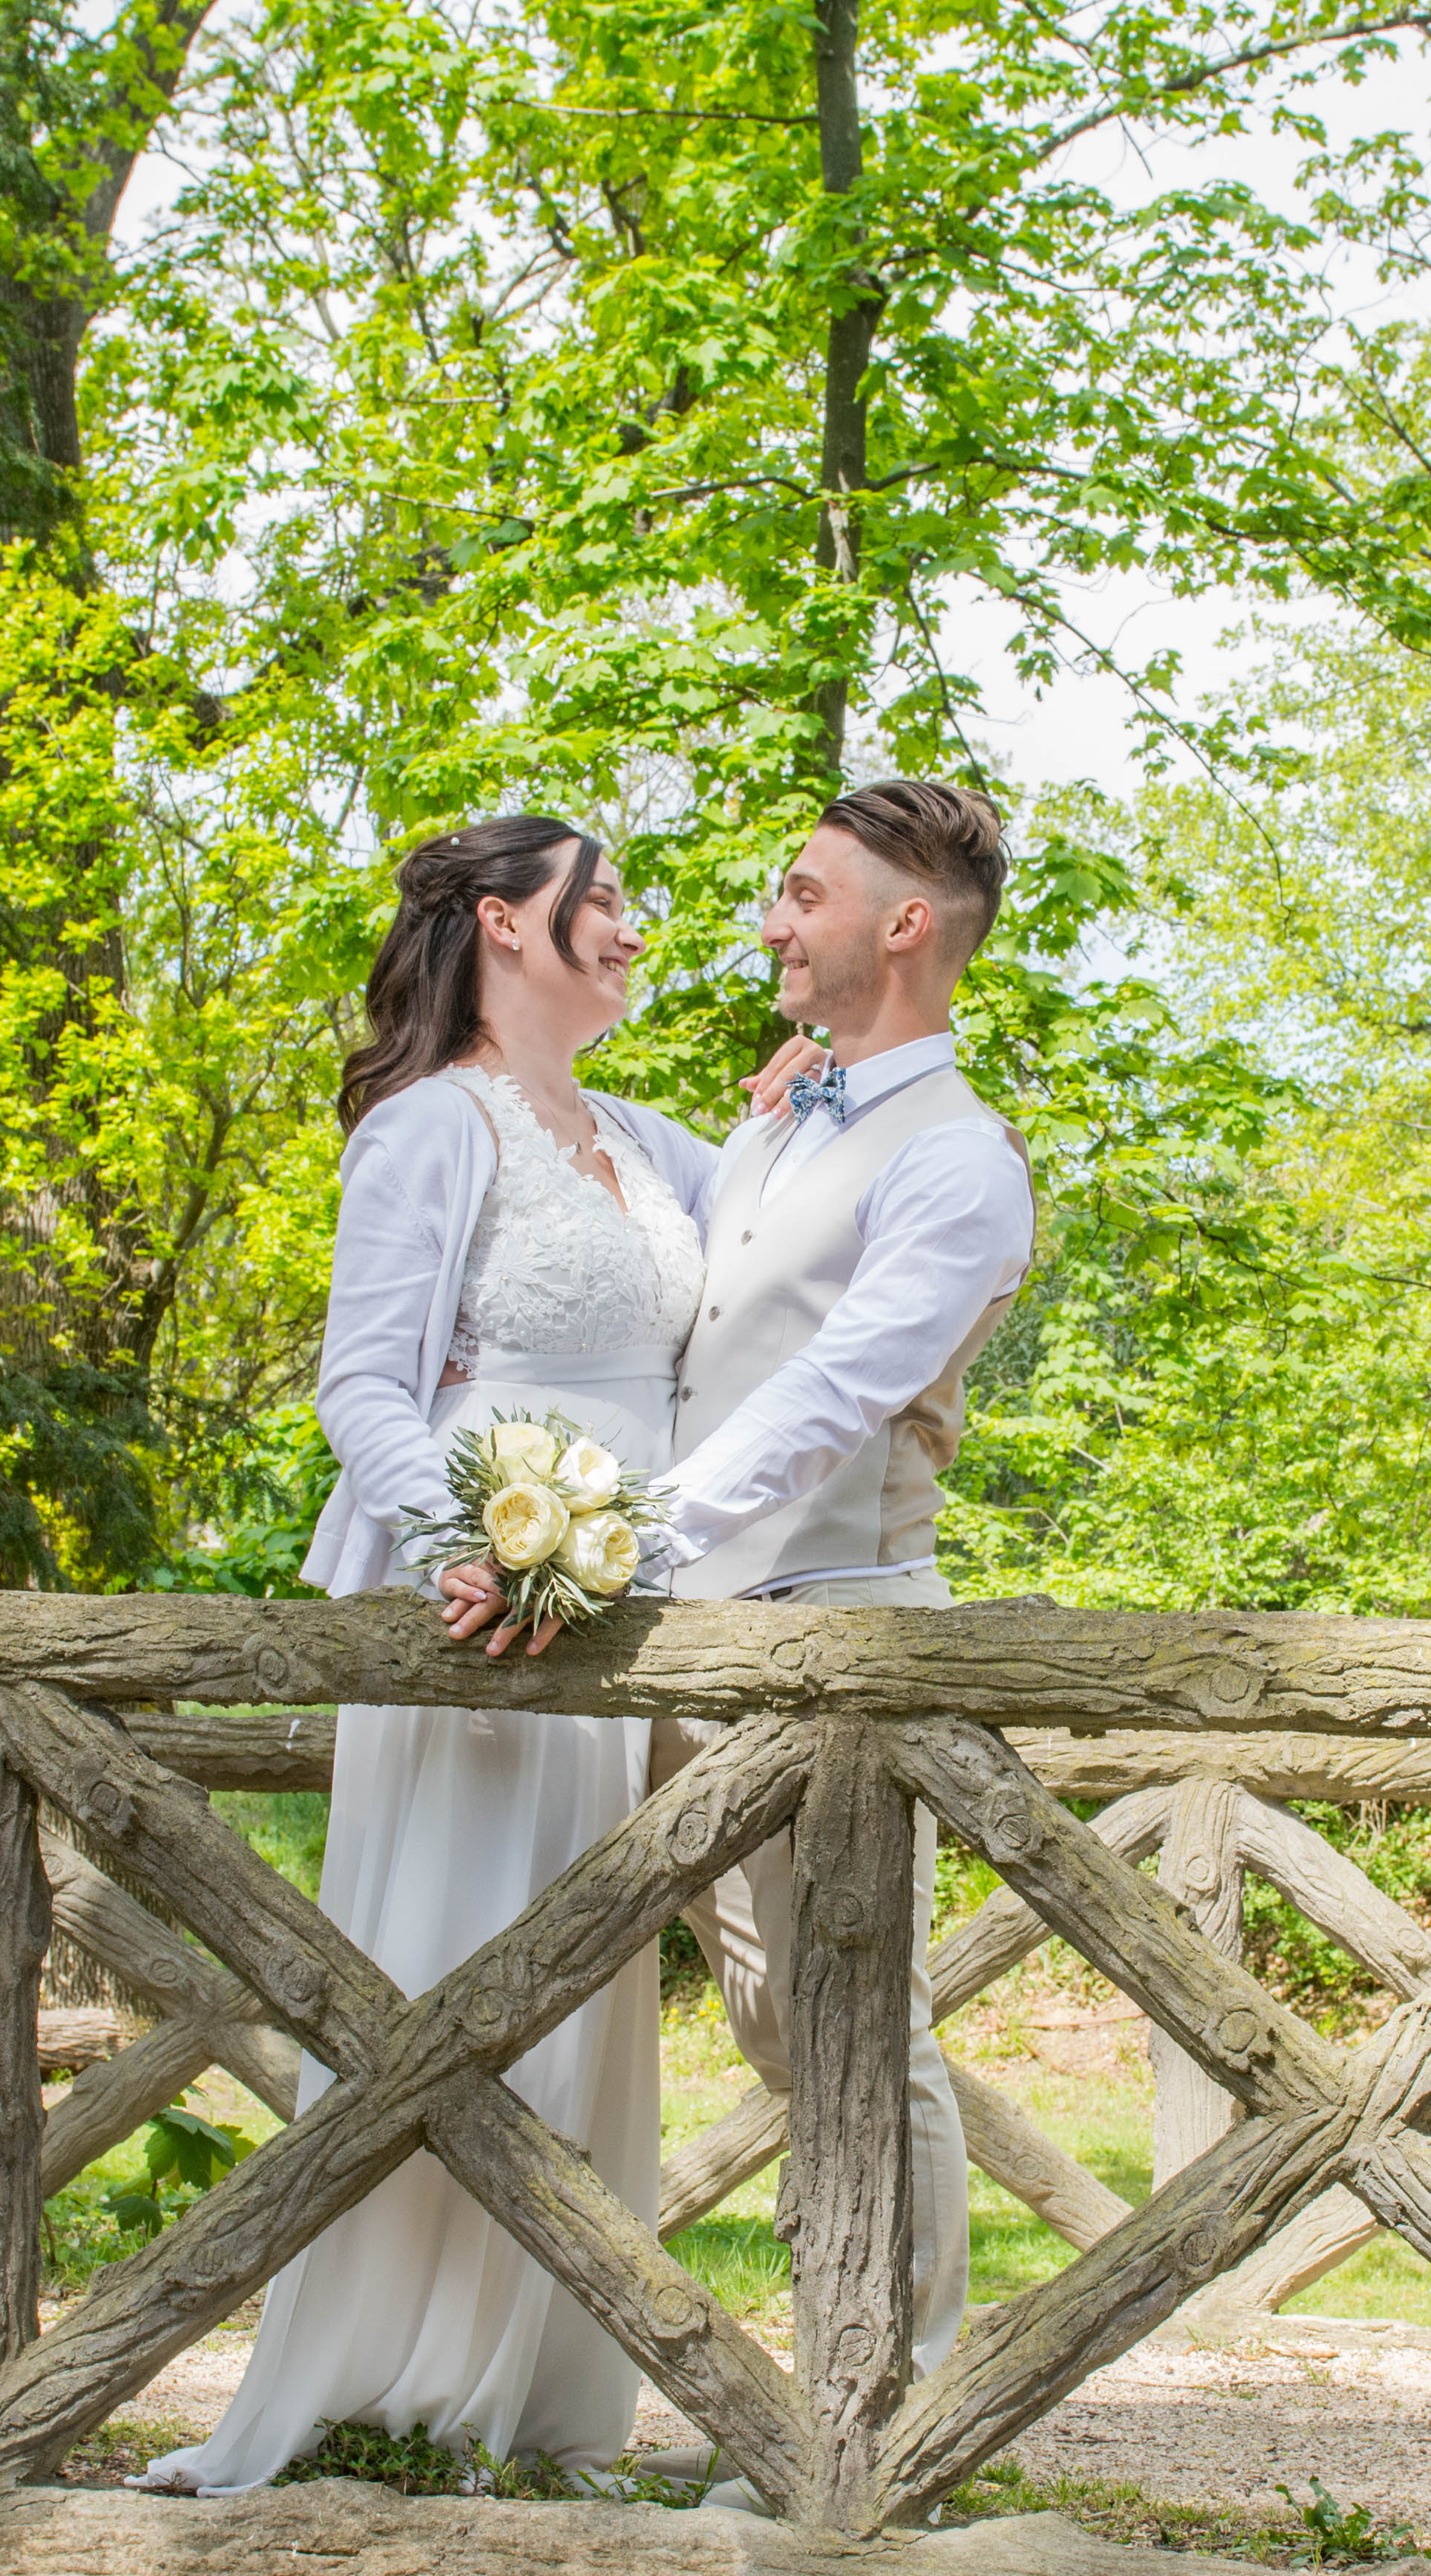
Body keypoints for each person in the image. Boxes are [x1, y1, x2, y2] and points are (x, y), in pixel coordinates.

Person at [136, 814, 725, 2496]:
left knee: (575, 1986)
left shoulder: (642, 1139)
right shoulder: (427, 1128)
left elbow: (775, 1219)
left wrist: (800, 1101)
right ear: (503, 927)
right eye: (599, 901)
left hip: (616, 1596)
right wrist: (464, 1539)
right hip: (478, 1605)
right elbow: (363, 1387)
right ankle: (379, 2376)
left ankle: (539, 2394)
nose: (628, 926)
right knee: (447, 1970)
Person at [439, 776, 1033, 2387]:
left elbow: (833, 1393)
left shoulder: (960, 1163)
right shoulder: (786, 1126)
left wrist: (608, 1544)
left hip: (838, 1644)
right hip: (697, 1646)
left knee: (848, 2023)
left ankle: (878, 2402)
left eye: (800, 894)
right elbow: (665, 1276)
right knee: (770, 2025)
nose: (769, 921)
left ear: (903, 926)